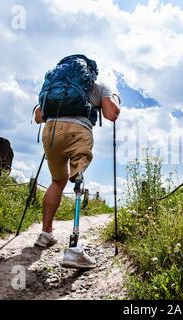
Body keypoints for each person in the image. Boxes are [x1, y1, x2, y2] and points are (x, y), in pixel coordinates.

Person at [33, 72, 120, 268]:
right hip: (78, 131)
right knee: (78, 178)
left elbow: (39, 117)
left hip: (51, 131)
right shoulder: (100, 85)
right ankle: (73, 249)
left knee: (57, 181)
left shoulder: (56, 85)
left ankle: (45, 234)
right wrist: (114, 98)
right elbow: (111, 114)